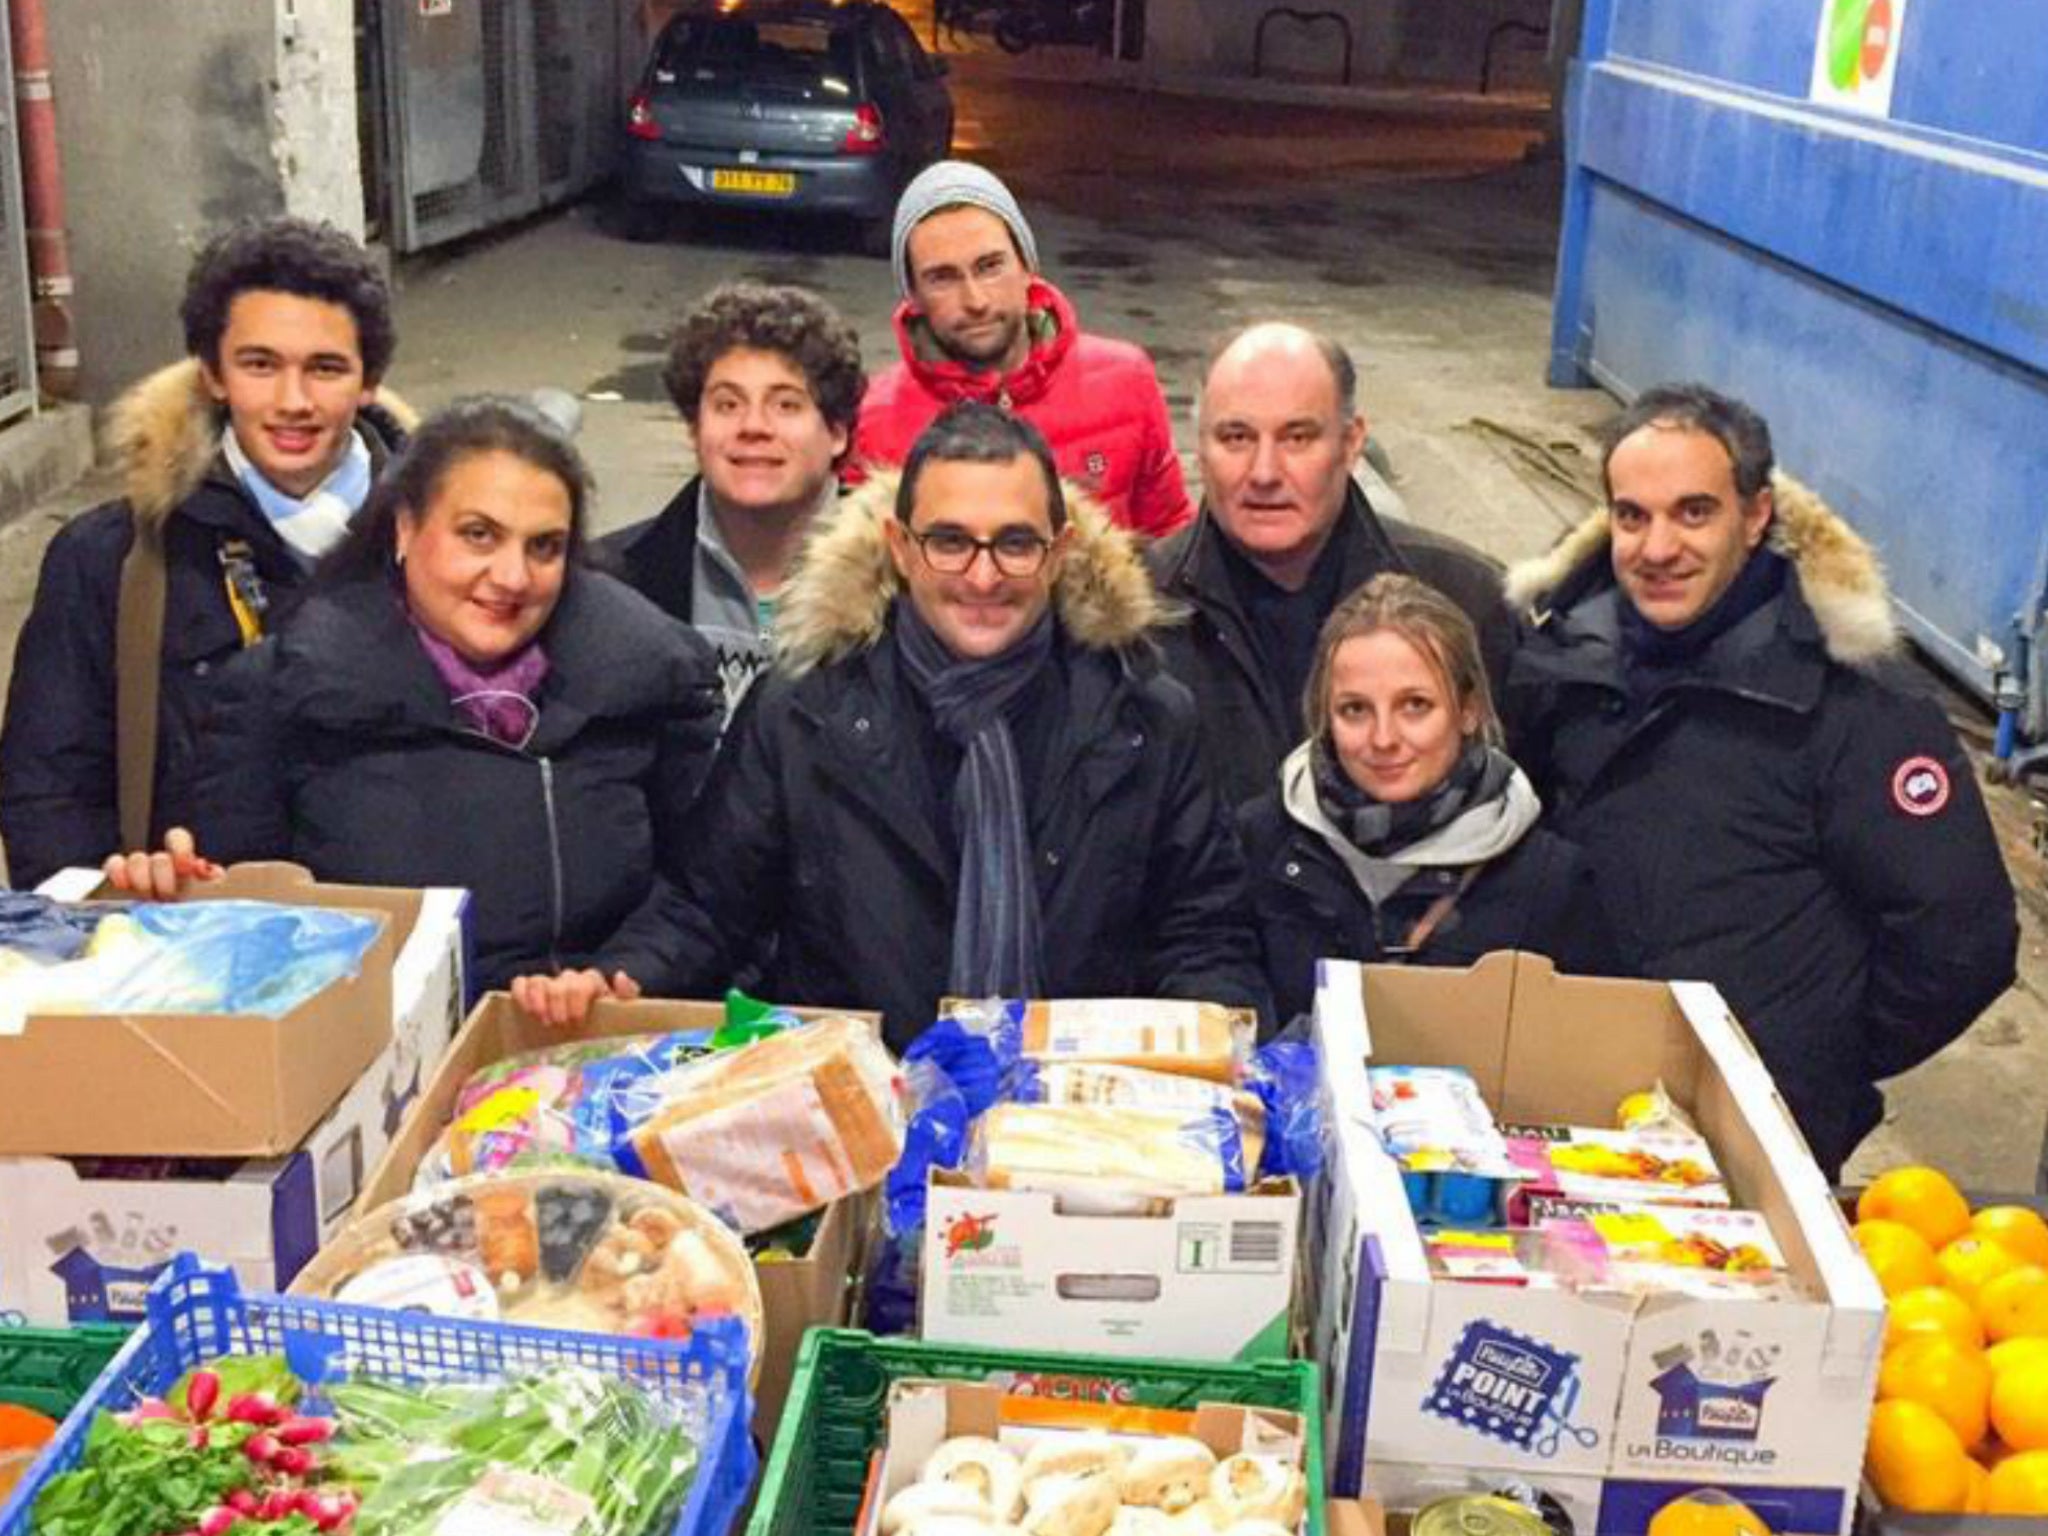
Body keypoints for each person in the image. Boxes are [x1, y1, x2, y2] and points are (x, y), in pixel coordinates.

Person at [614, 401, 1264, 1049]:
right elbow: (705, 910)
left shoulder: (1145, 717)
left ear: (1059, 551)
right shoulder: (802, 712)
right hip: (864, 1119)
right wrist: (621, 979)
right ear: (900, 547)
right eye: (949, 542)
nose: (982, 577)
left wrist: (1217, 1062)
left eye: (1015, 544)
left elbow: (1203, 934)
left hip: (1074, 1125)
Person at [1503, 383, 2017, 1178]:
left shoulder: (1856, 703)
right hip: (1579, 1107)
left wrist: (1815, 1053)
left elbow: (1963, 939)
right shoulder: (1562, 659)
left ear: (1756, 515)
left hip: (1761, 1137)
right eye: (1633, 516)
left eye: (1693, 512)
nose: (1658, 546)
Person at [104, 397, 723, 999]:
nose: (512, 577)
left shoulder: (650, 679)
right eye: (479, 535)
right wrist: (176, 894)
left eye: (544, 547)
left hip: (597, 1057)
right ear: (404, 529)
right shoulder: (283, 690)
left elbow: (702, 892)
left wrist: (619, 974)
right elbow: (242, 918)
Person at [0, 218, 410, 889]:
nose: (293, 402)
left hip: (408, 944)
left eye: (326, 368)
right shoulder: (111, 561)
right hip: (185, 956)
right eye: (260, 364)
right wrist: (115, 886)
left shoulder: (453, 548)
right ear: (213, 374)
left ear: (369, 381)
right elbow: (48, 798)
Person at [1150, 322, 1513, 810]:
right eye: (1236, 437)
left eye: (1297, 438)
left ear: (1351, 442)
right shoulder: (1140, 618)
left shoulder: (1466, 596)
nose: (1263, 473)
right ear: (1199, 447)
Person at [1242, 573, 1618, 1024]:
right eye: (1355, 709)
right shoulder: (1262, 839)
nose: (1384, 739)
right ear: (1325, 714)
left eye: (1415, 705)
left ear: (1468, 709)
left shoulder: (1551, 881)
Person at [850, 161, 1192, 539]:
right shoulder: (871, 423)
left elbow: (1171, 541)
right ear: (912, 295)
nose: (975, 300)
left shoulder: (1125, 381)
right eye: (942, 278)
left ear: (1027, 265)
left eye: (990, 267)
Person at [599, 282, 866, 716]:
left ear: (837, 432)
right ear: (694, 429)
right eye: (727, 405)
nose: (754, 426)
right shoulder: (614, 580)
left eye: (786, 405)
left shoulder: (906, 586)